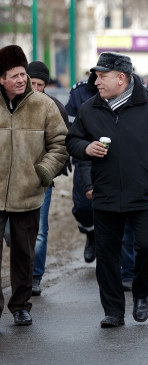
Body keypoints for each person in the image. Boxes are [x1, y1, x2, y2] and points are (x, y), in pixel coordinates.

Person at [66, 52, 148, 328]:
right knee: (107, 255)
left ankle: (141, 293)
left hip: (143, 192)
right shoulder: (89, 108)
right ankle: (114, 311)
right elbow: (72, 141)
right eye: (96, 76)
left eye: (102, 76)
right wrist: (85, 148)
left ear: (121, 78)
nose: (96, 82)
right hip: (105, 194)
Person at [0, 45, 68, 326]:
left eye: (23, 74)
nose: (21, 79)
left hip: (28, 194)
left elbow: (60, 144)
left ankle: (20, 305)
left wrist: (43, 172)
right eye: (14, 75)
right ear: (1, 79)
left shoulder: (44, 105)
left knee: (24, 255)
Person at [26, 61, 71, 297]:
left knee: (40, 230)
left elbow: (63, 145)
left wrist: (49, 170)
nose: (34, 88)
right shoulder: (11, 104)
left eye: (39, 84)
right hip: (11, 182)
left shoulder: (56, 108)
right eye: (31, 82)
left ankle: (34, 277)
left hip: (42, 180)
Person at [65, 73, 99, 262]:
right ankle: (91, 235)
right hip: (84, 158)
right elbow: (69, 128)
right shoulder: (79, 92)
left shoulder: (124, 90)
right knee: (84, 207)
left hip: (113, 160)